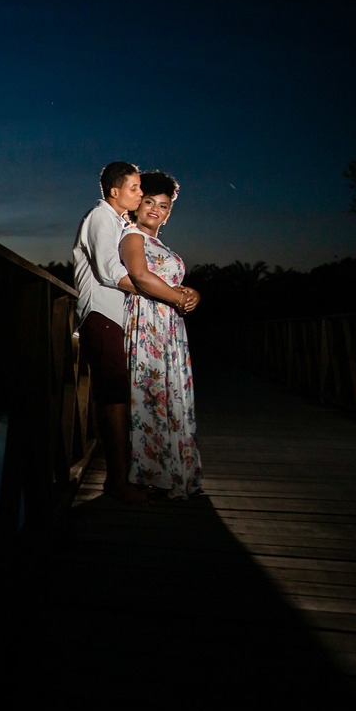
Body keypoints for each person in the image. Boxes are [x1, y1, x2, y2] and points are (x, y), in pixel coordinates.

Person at [73, 161, 162, 504]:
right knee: (113, 399)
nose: (141, 194)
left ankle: (125, 476)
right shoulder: (100, 218)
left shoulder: (119, 222)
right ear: (115, 191)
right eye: (135, 188)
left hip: (117, 318)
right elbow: (110, 271)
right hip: (101, 315)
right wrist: (161, 294)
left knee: (120, 397)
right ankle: (117, 482)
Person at [119, 170, 203, 499]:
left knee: (171, 395)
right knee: (151, 397)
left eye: (164, 206)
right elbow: (140, 277)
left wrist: (191, 294)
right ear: (137, 205)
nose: (156, 209)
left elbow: (170, 283)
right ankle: (150, 474)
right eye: (150, 202)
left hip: (169, 324)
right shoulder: (132, 235)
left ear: (169, 213)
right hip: (147, 323)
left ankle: (174, 470)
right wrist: (178, 297)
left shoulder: (159, 243)